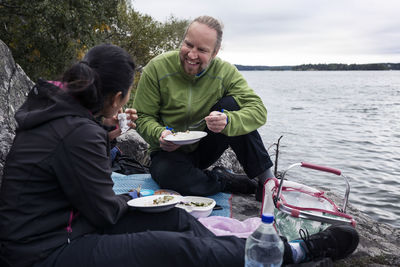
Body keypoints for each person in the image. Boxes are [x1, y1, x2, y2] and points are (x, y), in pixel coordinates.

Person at [0, 43, 359, 267]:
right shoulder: (77, 131)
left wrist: (106, 135)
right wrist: (137, 197)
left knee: (175, 219)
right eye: (126, 98)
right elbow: (106, 211)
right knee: (173, 249)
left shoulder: (63, 114)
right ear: (114, 98)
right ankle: (292, 253)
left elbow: (77, 175)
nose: (193, 53)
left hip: (69, 223)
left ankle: (240, 250)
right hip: (46, 251)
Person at [133, 15, 274, 201]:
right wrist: (160, 134)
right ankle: (224, 179)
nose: (192, 54)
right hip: (168, 151)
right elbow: (142, 116)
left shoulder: (225, 72)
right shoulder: (157, 68)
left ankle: (267, 183)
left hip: (206, 145)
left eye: (201, 50)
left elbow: (258, 110)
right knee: (169, 177)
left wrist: (228, 121)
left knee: (231, 106)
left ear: (214, 53)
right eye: (188, 44)